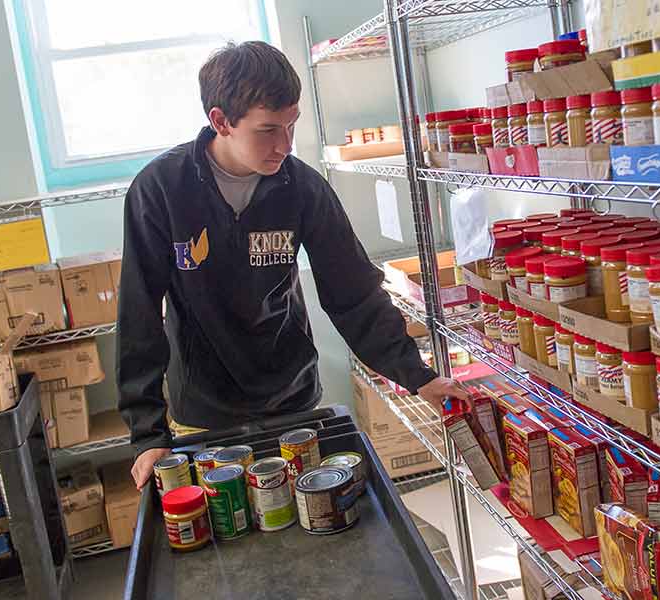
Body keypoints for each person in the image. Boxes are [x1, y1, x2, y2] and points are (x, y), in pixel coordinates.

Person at [118, 41, 468, 489]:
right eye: (268, 130)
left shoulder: (302, 188)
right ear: (221, 122)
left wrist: (418, 376)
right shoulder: (160, 190)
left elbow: (354, 295)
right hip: (203, 409)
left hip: (293, 397)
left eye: (291, 125)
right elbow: (139, 313)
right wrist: (147, 433)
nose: (285, 144)